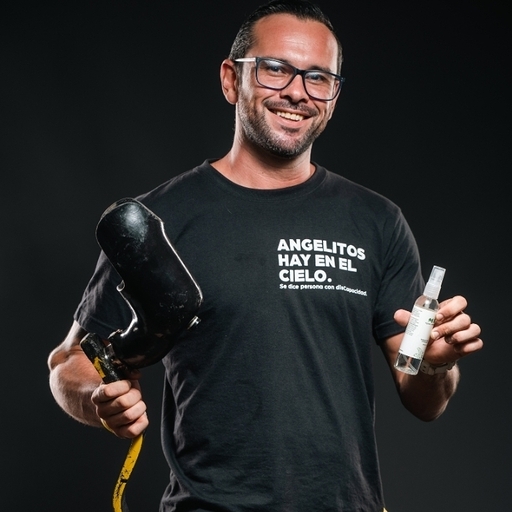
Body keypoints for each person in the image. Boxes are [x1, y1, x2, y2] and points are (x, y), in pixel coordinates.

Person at [47, 1, 483, 511]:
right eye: (276, 68)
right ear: (231, 80)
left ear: (334, 96)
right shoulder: (159, 219)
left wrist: (434, 367)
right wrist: (97, 398)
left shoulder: (377, 220)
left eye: (318, 77)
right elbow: (69, 362)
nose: (297, 91)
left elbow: (423, 399)